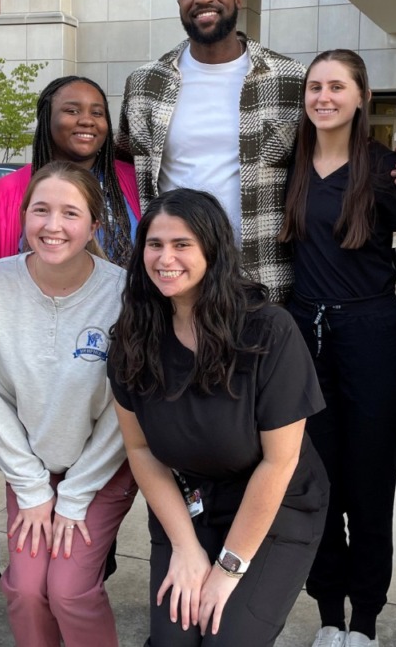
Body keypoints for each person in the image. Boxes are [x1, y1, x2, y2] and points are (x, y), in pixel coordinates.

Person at [116, 0, 396, 303]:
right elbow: (122, 165)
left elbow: (337, 150)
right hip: (173, 278)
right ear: (179, 2)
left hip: (263, 280)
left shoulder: (290, 79)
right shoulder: (144, 84)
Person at [109, 189, 329, 647]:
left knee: (225, 638)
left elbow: (279, 463)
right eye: (154, 244)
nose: (165, 257)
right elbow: (141, 449)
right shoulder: (134, 336)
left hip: (274, 506)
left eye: (182, 244)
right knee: (173, 641)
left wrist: (228, 567)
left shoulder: (267, 330)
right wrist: (187, 549)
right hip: (189, 506)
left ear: (213, 248)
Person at [0, 161, 136, 647]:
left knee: (68, 592)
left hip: (101, 465)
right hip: (31, 463)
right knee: (23, 589)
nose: (53, 226)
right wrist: (35, 490)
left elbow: (125, 411)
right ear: (23, 216)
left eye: (70, 213)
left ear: (94, 226)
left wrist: (76, 495)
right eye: (41, 210)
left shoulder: (124, 294)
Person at [278, 50, 396, 647]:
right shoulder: (287, 166)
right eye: (315, 86)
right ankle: (328, 614)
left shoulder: (389, 170)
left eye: (338, 86)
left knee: (369, 484)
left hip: (372, 337)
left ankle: (364, 621)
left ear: (362, 96)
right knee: (315, 482)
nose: (324, 96)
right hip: (303, 336)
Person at [0, 75, 139, 266]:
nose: (87, 120)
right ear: (46, 118)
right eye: (72, 111)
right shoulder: (3, 193)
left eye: (97, 113)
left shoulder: (135, 182)